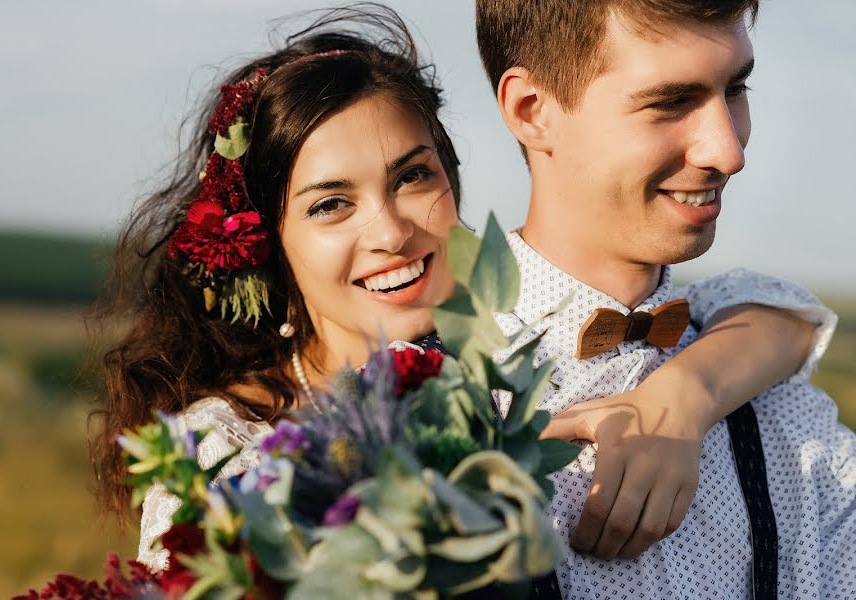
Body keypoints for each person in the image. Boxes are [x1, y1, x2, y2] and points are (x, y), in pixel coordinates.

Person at [89, 6, 826, 576]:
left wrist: (685, 393)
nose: (390, 232)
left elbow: (771, 313)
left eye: (413, 176)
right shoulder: (235, 455)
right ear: (265, 247)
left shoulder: (506, 359)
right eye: (329, 204)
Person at [476, 0, 855, 597]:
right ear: (533, 110)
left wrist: (687, 393)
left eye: (735, 88)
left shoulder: (792, 426)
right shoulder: (414, 401)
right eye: (671, 102)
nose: (728, 153)